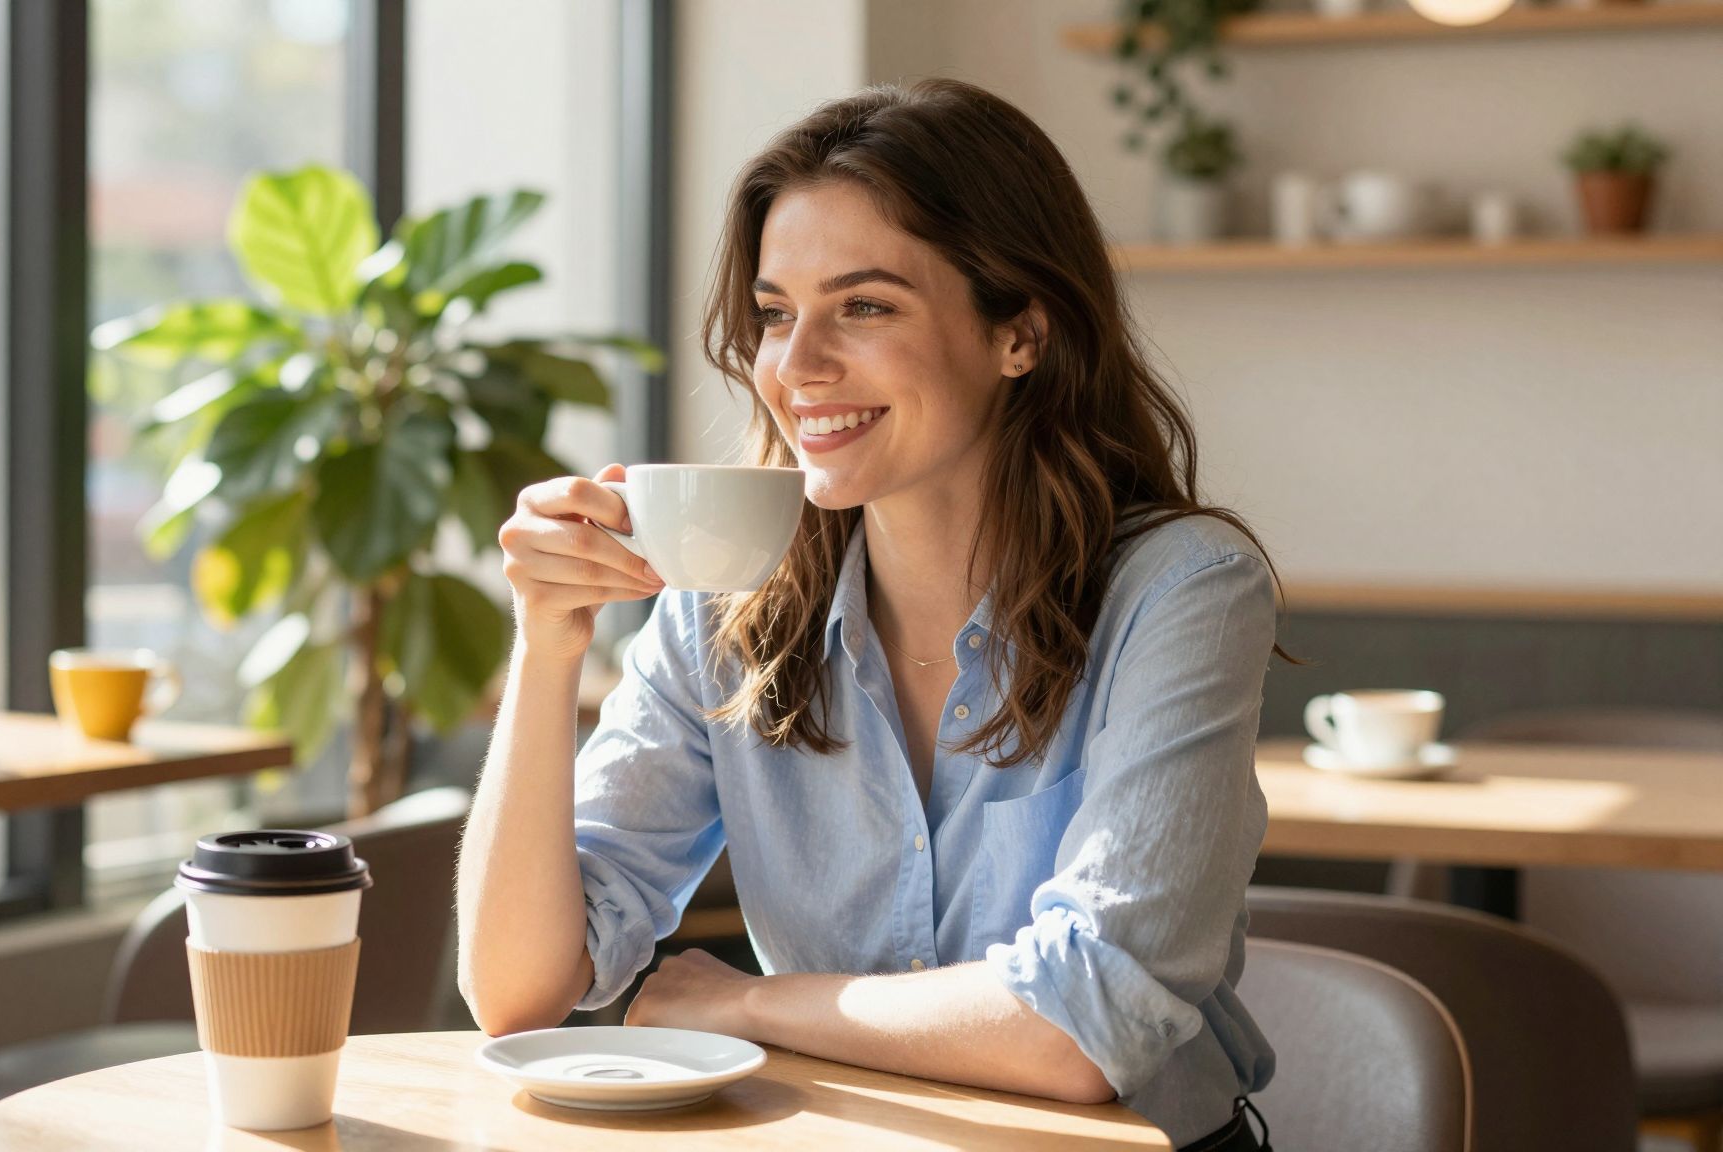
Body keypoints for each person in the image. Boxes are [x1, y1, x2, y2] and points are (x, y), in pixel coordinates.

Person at [456, 78, 1283, 1152]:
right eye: (772, 313)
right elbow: (518, 992)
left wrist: (747, 1005)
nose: (794, 369)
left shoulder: (1179, 589)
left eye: (864, 306)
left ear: (1018, 332)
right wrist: (545, 645)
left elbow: (1083, 1030)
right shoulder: (726, 610)